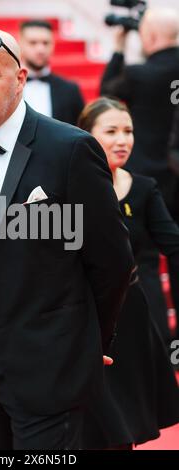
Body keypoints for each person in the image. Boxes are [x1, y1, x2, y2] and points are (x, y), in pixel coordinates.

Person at [0, 28, 134, 450]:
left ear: (20, 79)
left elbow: (112, 262)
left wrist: (88, 342)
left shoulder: (70, 150)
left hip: (48, 359)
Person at [79, 97, 179, 450]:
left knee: (125, 421)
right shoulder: (69, 189)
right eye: (111, 131)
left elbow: (174, 244)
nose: (123, 140)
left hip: (131, 315)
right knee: (89, 423)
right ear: (87, 137)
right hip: (83, 314)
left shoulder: (144, 188)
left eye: (128, 131)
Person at [100, 7, 179, 344]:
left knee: (145, 266)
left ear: (148, 37)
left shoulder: (139, 75)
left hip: (147, 182)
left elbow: (106, 94)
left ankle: (157, 346)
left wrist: (119, 48)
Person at [19, 20, 85, 125]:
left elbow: (82, 130)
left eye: (45, 43)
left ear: (53, 45)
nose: (40, 49)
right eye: (33, 43)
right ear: (20, 44)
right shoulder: (8, 86)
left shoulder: (70, 90)